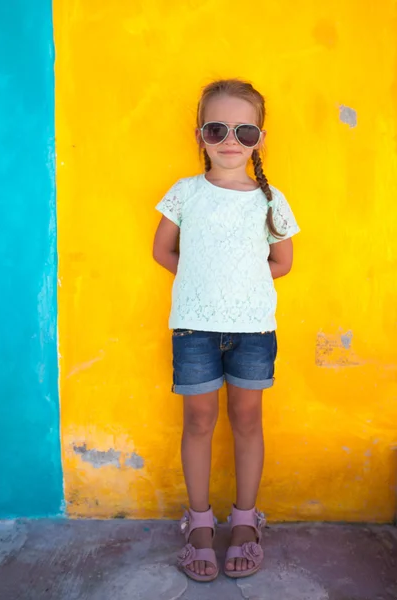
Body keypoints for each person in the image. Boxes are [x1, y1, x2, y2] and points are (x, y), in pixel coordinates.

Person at [153, 79, 300, 582]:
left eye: (244, 129)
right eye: (217, 128)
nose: (230, 138)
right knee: (197, 422)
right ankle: (197, 526)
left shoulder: (269, 198)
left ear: (260, 137)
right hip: (194, 329)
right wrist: (203, 283)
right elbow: (163, 252)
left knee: (247, 421)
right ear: (200, 135)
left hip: (253, 330)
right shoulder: (185, 192)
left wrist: (239, 284)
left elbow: (281, 261)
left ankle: (243, 523)